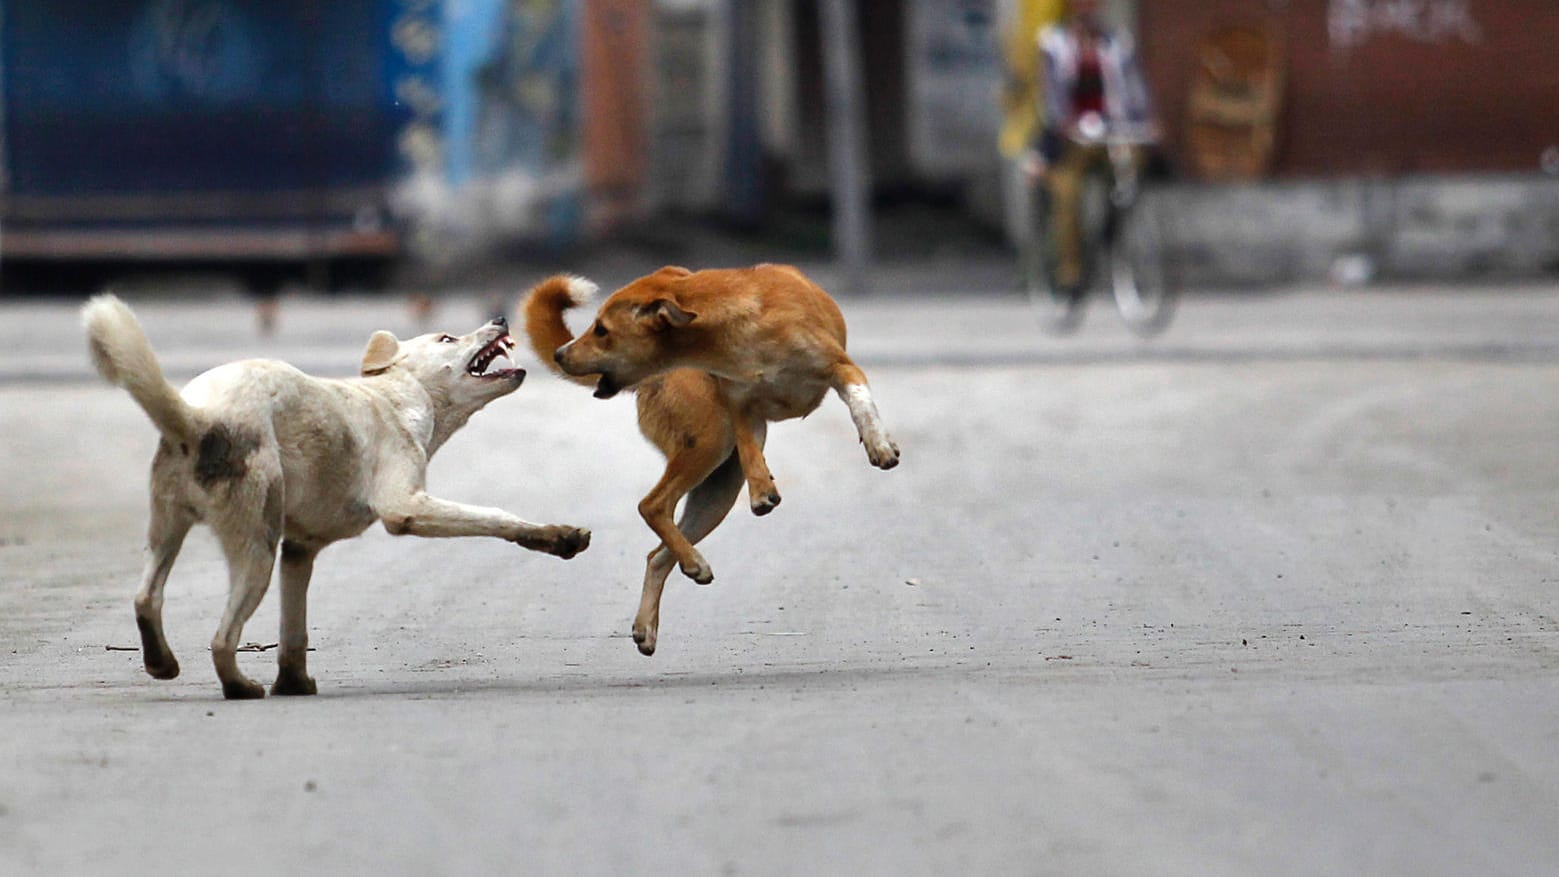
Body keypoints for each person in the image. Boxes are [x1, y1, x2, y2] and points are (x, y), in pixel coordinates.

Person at [1025, 0, 1156, 295]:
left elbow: (1135, 91)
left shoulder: (1116, 45)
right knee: (1067, 193)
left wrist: (1143, 122)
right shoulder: (1054, 46)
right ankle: (1070, 272)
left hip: (1110, 135)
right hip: (1071, 141)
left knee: (1130, 169)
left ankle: (1113, 231)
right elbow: (1050, 101)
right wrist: (1065, 126)